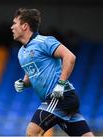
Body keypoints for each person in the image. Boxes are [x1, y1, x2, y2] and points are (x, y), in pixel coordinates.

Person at [11, 8, 94, 136]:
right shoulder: (21, 52)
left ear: (25, 26)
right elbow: (31, 76)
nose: (12, 27)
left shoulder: (45, 41)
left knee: (32, 133)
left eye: (15, 23)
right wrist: (23, 83)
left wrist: (60, 84)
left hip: (61, 97)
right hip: (61, 100)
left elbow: (70, 57)